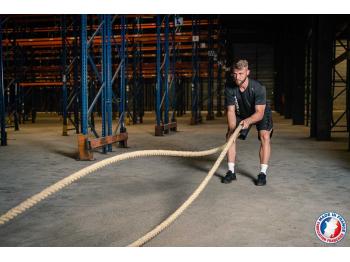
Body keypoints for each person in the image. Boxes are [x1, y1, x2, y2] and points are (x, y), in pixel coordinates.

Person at [222, 59, 273, 186]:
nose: (237, 77)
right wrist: (233, 130)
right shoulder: (229, 87)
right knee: (230, 136)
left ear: (247, 72)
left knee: (265, 136)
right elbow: (230, 111)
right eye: (235, 74)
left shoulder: (258, 88)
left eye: (241, 74)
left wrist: (248, 121)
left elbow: (259, 113)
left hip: (259, 111)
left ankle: (262, 173)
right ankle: (231, 171)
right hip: (241, 112)